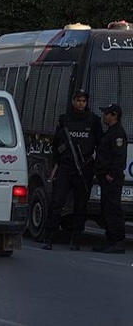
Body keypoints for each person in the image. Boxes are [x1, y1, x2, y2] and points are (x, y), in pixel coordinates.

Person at [42, 89, 102, 251]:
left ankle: (75, 239)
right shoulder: (64, 119)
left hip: (84, 168)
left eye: (84, 101)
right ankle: (49, 238)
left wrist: (95, 165)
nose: (81, 104)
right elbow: (56, 145)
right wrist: (57, 163)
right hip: (66, 167)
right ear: (73, 101)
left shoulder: (94, 120)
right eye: (78, 100)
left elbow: (100, 144)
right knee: (57, 202)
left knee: (81, 205)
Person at [92, 103, 128, 254]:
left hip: (112, 179)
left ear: (114, 115)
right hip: (105, 178)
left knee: (113, 209)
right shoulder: (110, 132)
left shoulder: (117, 133)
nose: (103, 116)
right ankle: (110, 240)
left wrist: (111, 174)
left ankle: (117, 241)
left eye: (106, 113)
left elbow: (119, 158)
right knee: (106, 209)